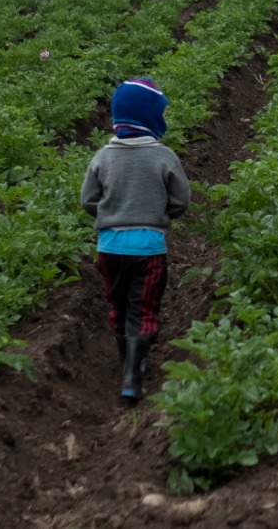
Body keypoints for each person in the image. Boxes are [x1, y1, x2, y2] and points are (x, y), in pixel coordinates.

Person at [81, 77, 190, 405]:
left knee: (120, 304)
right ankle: (133, 374)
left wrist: (112, 213)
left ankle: (124, 360)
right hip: (148, 249)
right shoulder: (164, 156)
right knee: (143, 308)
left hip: (109, 248)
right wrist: (159, 214)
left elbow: (88, 199)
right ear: (151, 117)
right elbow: (181, 200)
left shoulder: (103, 157)